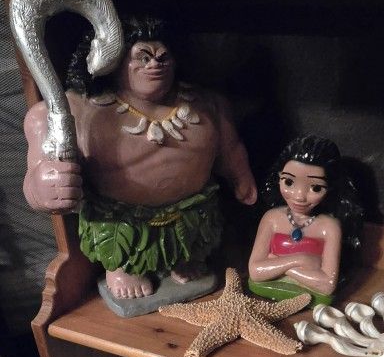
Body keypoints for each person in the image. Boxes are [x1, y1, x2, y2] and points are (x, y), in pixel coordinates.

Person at [23, 17, 257, 300]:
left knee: (193, 246)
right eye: (143, 57)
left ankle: (183, 259)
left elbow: (230, 148)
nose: (155, 64)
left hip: (192, 213)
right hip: (120, 221)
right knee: (122, 249)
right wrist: (42, 184)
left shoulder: (208, 104)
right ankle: (122, 268)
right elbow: (37, 168)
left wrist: (240, 176)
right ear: (113, 61)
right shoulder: (76, 110)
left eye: (162, 57)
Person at [248, 135, 363, 304]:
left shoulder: (329, 227)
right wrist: (302, 260)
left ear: (330, 188)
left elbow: (327, 285)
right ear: (279, 177)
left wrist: (277, 263)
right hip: (266, 297)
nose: (299, 196)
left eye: (316, 187)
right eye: (289, 182)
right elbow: (255, 271)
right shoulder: (272, 219)